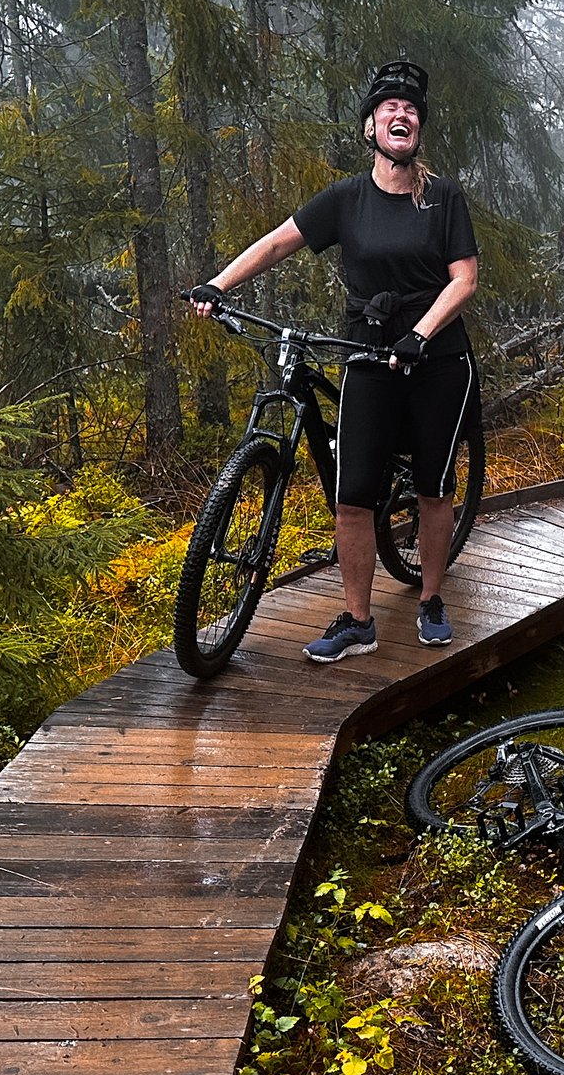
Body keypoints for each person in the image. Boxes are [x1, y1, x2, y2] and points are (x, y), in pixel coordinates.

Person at [186, 61, 479, 660]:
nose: (403, 115)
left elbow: (465, 279)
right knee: (353, 493)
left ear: (418, 129)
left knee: (432, 486)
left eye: (412, 110)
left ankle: (428, 599)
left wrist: (421, 333)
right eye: (390, 108)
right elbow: (277, 241)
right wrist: (218, 284)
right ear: (370, 127)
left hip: (438, 358)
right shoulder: (347, 198)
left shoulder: (442, 197)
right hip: (368, 353)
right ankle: (356, 619)